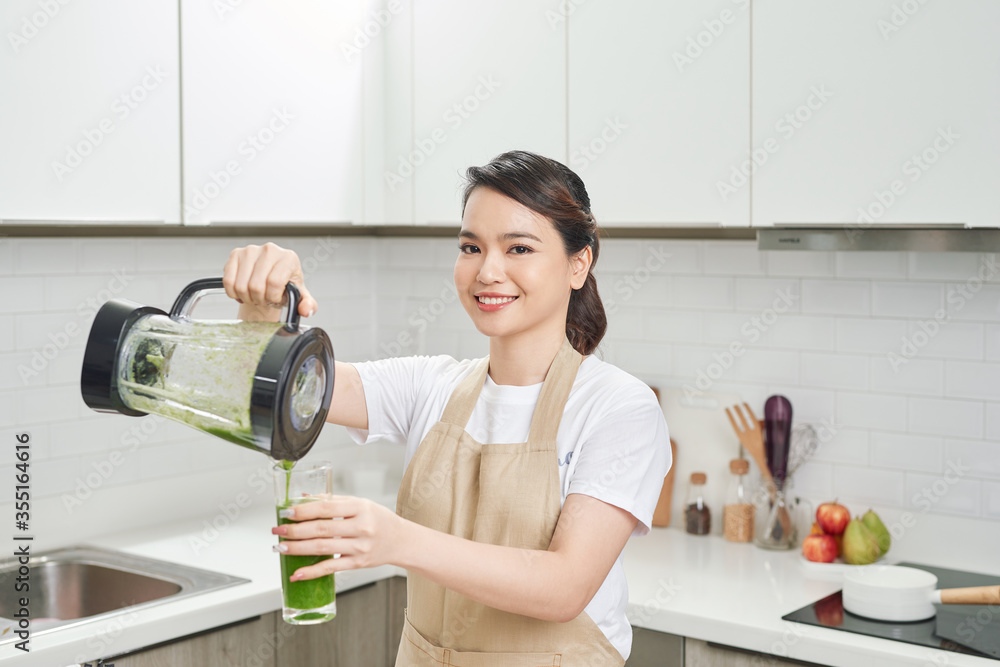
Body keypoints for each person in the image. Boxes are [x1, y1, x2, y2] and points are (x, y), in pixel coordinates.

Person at [224, 150, 671, 664]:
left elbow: (563, 587)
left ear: (579, 262)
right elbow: (278, 392)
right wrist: (263, 308)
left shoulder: (618, 407)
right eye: (471, 247)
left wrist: (398, 541)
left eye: (519, 248)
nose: (488, 271)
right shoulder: (429, 386)